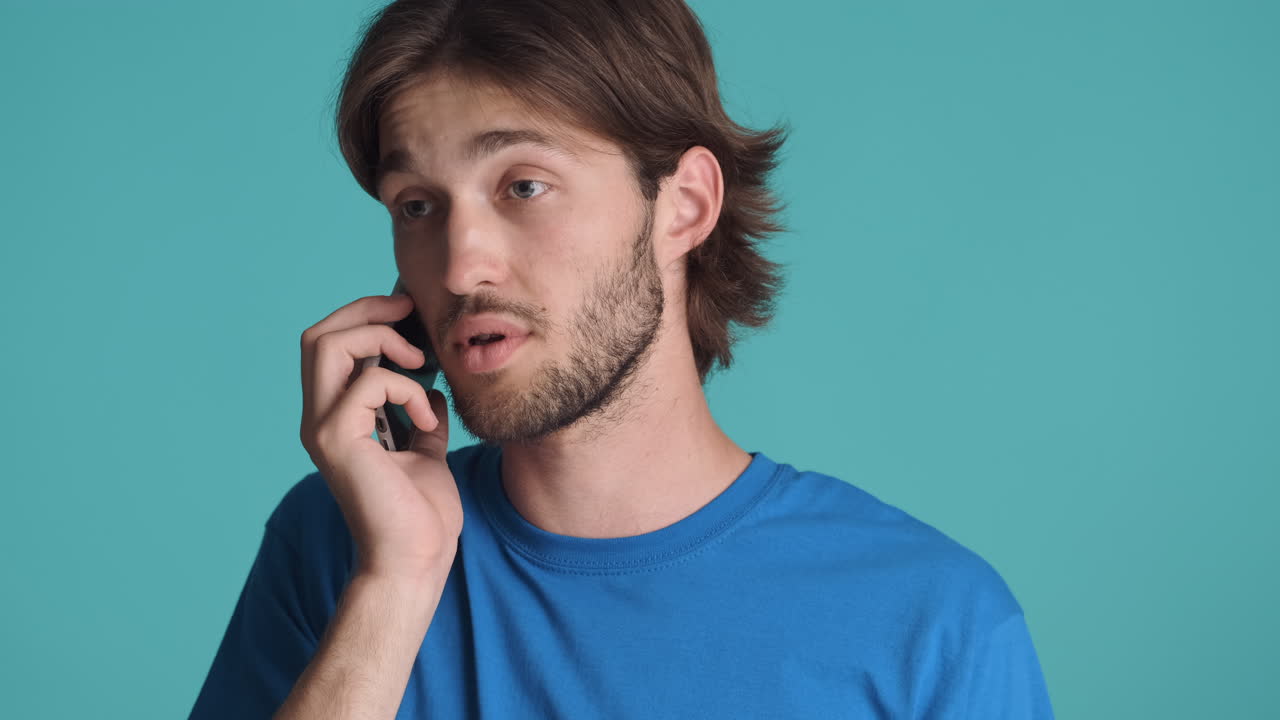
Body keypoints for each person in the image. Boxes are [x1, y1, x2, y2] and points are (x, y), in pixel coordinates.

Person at [190, 0, 1055, 717]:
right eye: (416, 205)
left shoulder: (934, 625)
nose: (459, 266)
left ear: (683, 207)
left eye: (523, 186)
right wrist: (394, 583)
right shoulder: (338, 544)